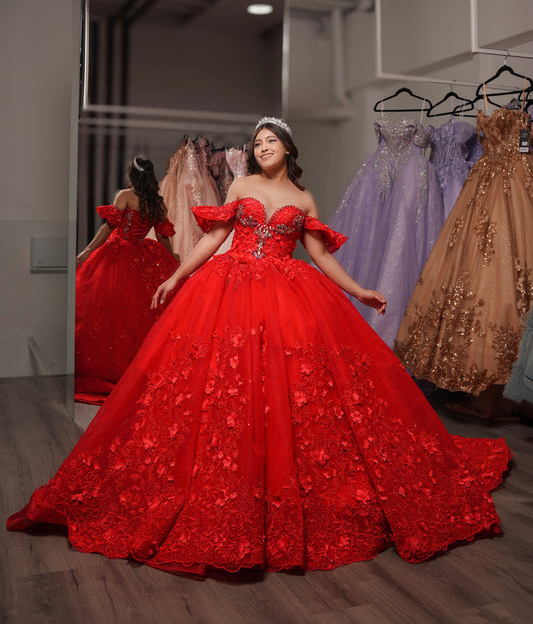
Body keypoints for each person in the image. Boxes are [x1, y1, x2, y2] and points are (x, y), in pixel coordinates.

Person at [8, 119, 510, 576]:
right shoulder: (241, 186)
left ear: (287, 148)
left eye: (270, 141)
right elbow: (214, 239)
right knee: (219, 386)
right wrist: (177, 277)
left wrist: (359, 291)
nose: (262, 147)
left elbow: (319, 256)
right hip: (229, 289)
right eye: (257, 142)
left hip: (289, 293)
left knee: (296, 390)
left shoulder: (304, 199)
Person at [74, 155, 179, 404]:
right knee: (135, 315)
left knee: (106, 311)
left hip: (117, 254)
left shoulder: (125, 196)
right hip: (141, 257)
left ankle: (108, 370)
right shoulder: (156, 202)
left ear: (132, 175)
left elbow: (108, 228)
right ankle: (133, 372)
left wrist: (87, 251)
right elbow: (162, 238)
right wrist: (172, 260)